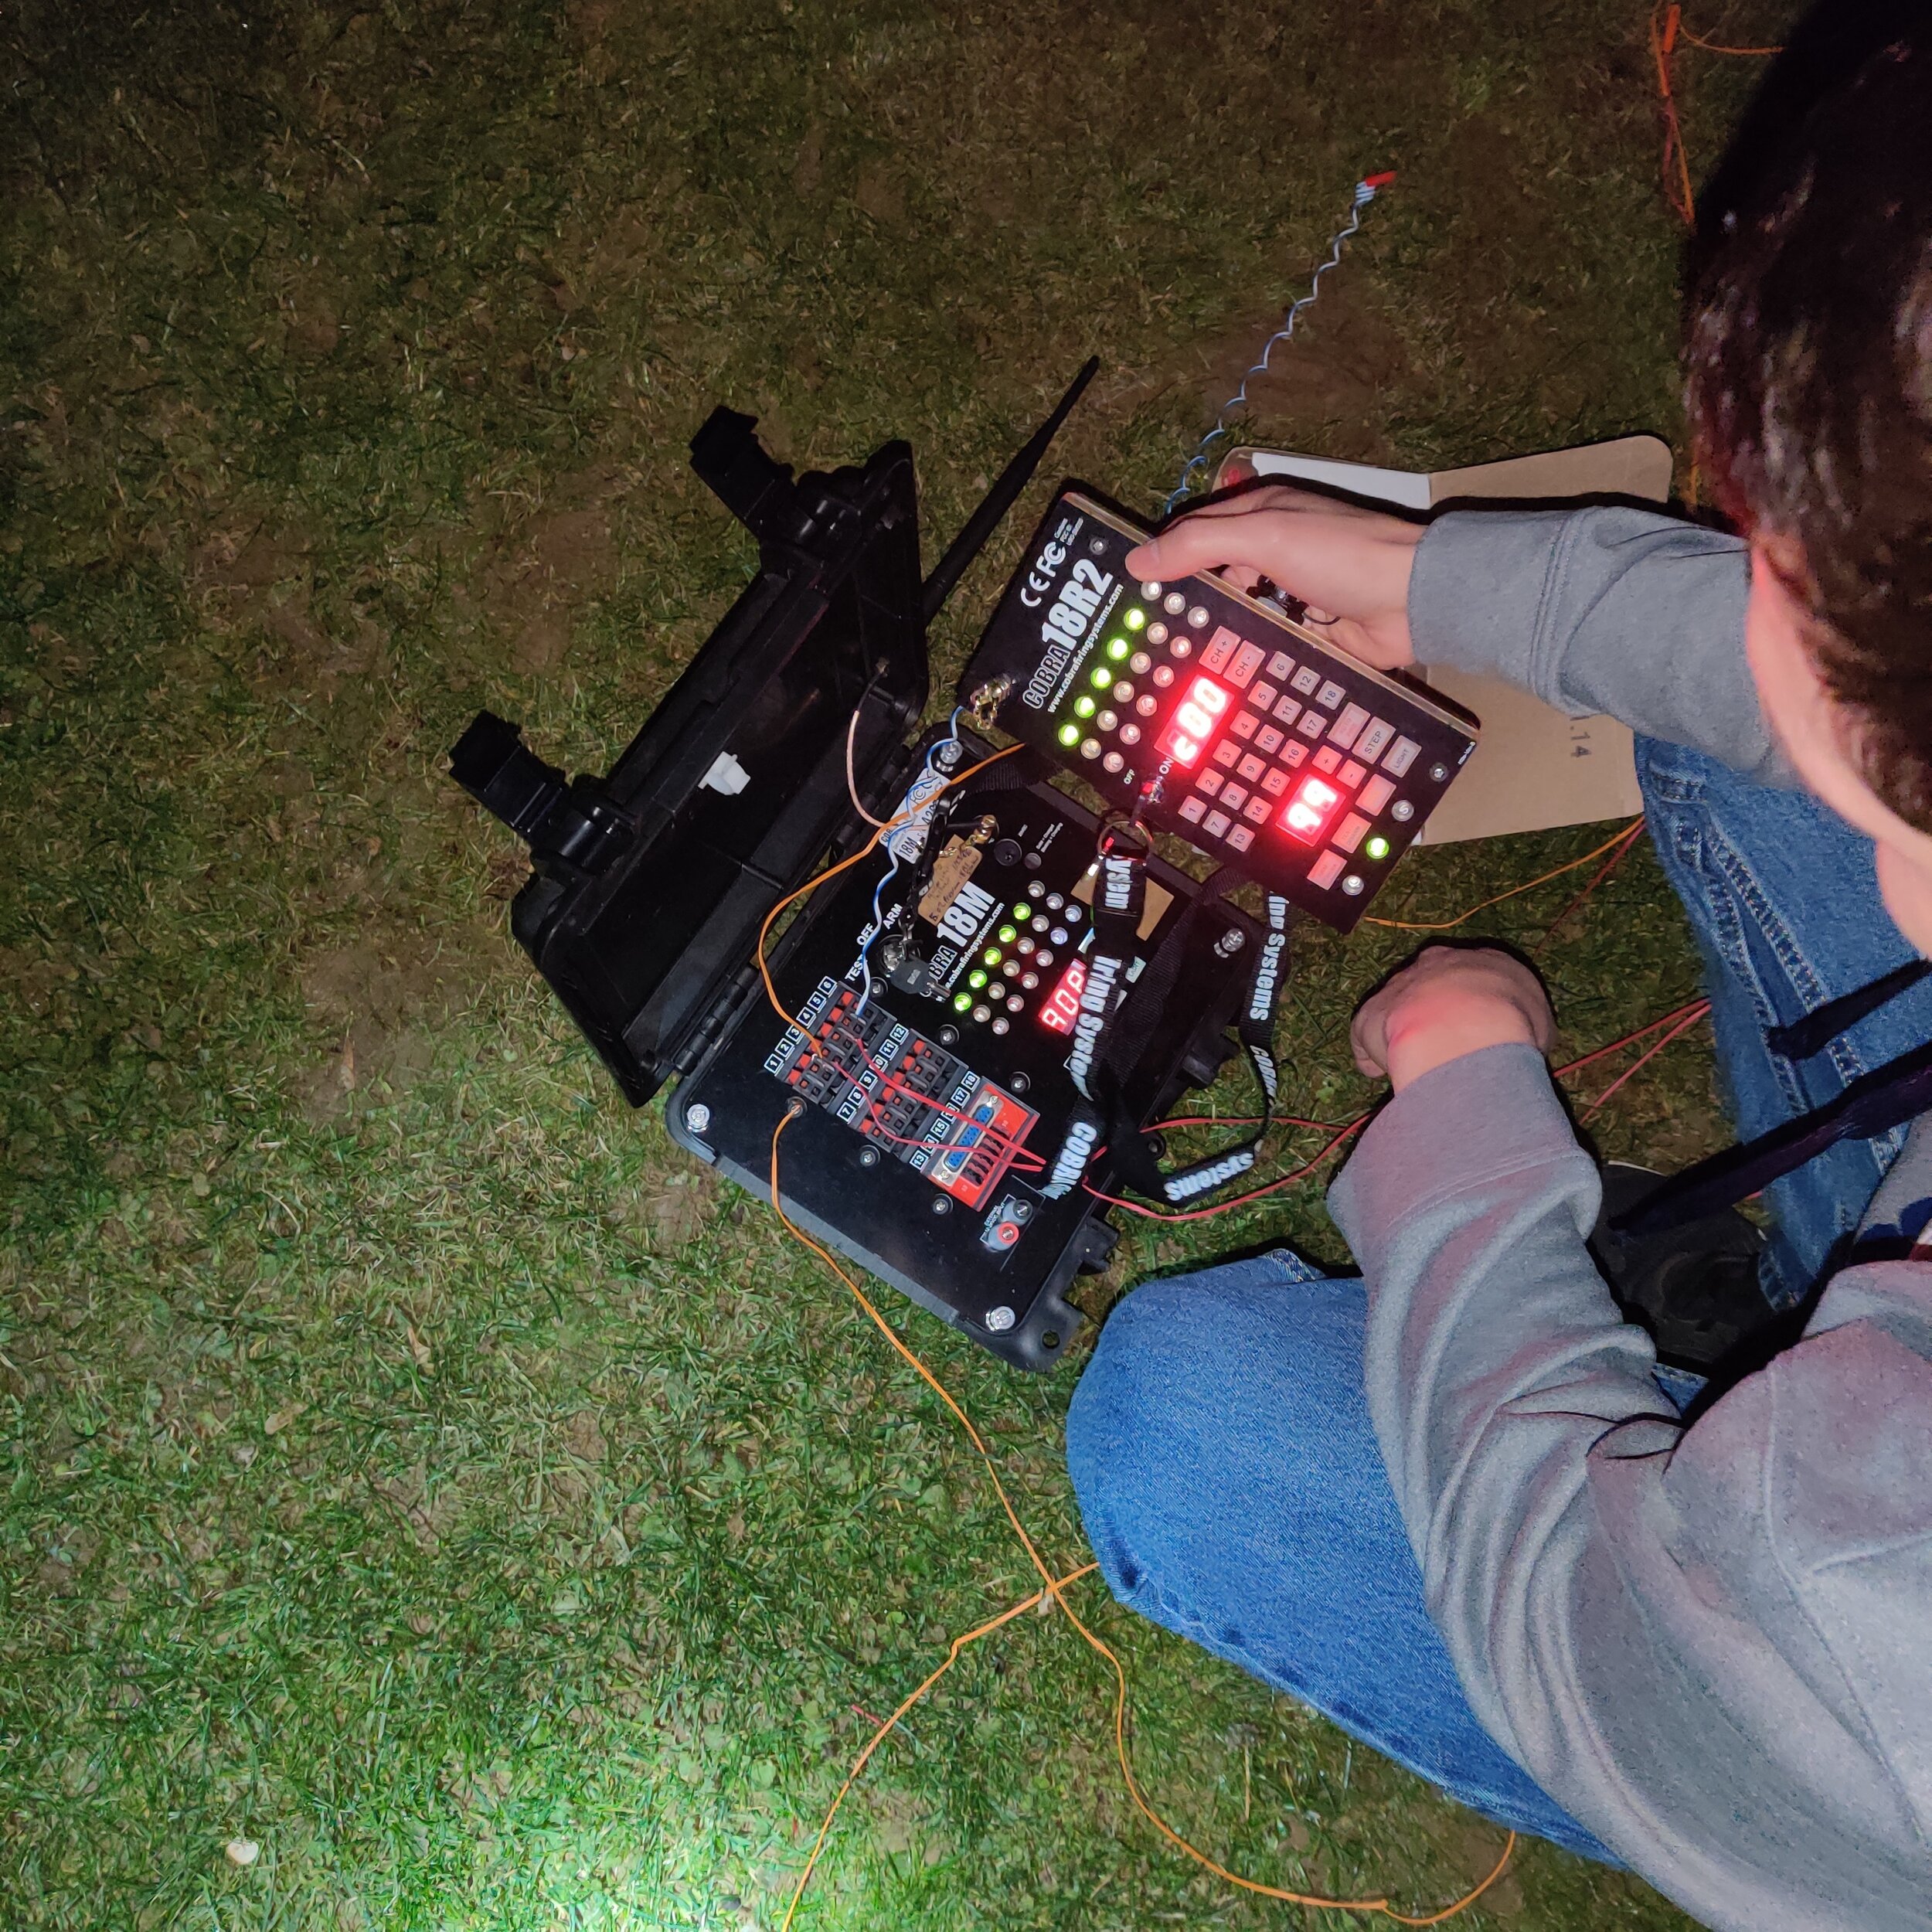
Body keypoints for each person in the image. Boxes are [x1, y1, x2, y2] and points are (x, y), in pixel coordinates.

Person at [1065, 30, 1932, 1932]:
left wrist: (1465, 1126)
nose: (1759, 597)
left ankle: (1786, 1350)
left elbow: (1589, 1628)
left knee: (1180, 1425)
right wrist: (1442, 580)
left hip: (1794, 1708)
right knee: (1704, 713)